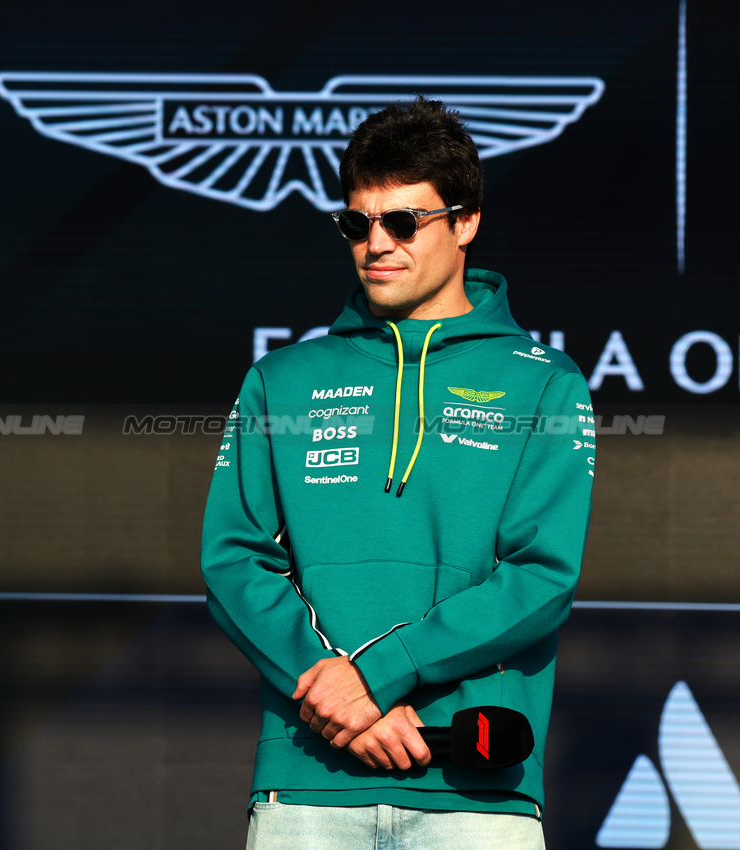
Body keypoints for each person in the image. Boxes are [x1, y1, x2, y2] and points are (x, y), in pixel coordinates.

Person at [200, 98, 594, 848]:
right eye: (357, 223)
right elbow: (232, 558)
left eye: (403, 222)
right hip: (308, 781)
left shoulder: (544, 382)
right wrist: (341, 696)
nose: (375, 243)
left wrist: (376, 677)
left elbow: (540, 575)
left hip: (477, 785)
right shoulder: (281, 379)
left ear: (465, 221)